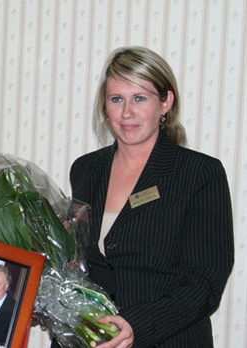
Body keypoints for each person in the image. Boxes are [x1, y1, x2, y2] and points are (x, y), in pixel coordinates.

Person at [68, 46, 234, 347]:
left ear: (166, 102)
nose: (126, 112)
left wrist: (137, 326)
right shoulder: (86, 170)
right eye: (116, 99)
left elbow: (204, 284)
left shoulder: (199, 173)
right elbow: (84, 264)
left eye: (139, 98)